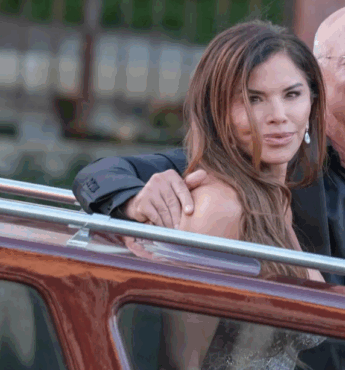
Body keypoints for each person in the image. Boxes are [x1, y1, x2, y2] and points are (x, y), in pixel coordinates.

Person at [73, 4, 345, 368]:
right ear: (320, 79)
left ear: (307, 96)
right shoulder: (247, 170)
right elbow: (105, 172)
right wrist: (132, 200)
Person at [118, 20, 328, 369]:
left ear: (312, 102)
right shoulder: (220, 207)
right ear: (217, 113)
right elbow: (182, 362)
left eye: (292, 95)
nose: (278, 116)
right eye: (253, 99)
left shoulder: (275, 196)